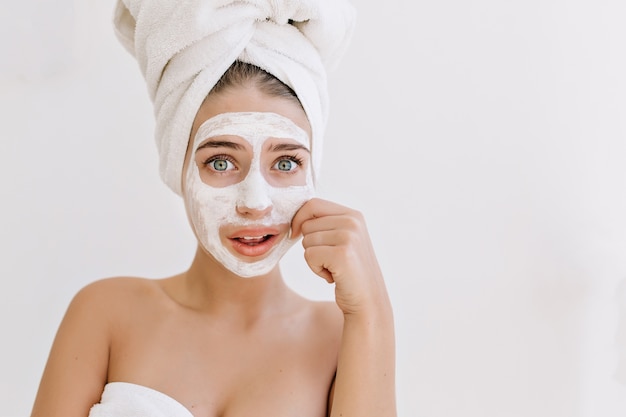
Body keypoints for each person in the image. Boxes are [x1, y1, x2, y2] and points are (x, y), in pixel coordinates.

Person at [30, 1, 396, 417]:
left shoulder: (341, 335)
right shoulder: (105, 313)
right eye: (221, 162)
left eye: (285, 163)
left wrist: (372, 310)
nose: (255, 203)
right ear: (178, 163)